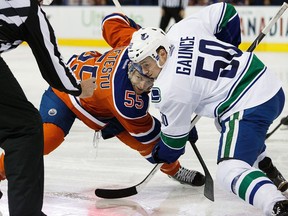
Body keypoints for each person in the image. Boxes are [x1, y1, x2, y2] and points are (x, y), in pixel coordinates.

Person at [127, 2, 288, 216]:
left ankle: (277, 205)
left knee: (230, 170)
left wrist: (159, 153)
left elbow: (174, 145)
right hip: (268, 83)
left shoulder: (169, 89)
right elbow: (226, 12)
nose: (144, 72)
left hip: (249, 105)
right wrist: (230, 52)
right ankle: (267, 168)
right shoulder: (179, 30)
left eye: (146, 65)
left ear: (162, 54)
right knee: (224, 124)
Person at [15, 13, 204, 189]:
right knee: (47, 139)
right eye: (139, 72)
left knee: (150, 147)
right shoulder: (127, 102)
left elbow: (110, 20)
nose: (140, 82)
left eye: (147, 75)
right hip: (67, 92)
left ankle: (174, 170)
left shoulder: (136, 45)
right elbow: (147, 133)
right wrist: (178, 128)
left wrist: (137, 33)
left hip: (105, 106)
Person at [0, 0, 96, 215]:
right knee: (23, 130)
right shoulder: (28, 8)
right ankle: (27, 212)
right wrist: (78, 89)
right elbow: (51, 63)